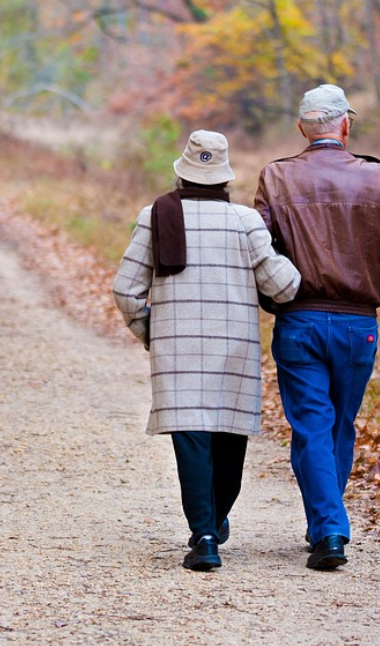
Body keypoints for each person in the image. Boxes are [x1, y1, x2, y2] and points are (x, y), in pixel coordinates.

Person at [254, 84, 380, 570]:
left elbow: (256, 246)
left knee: (312, 425)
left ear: (301, 129)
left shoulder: (276, 177)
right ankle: (328, 526)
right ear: (345, 126)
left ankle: (327, 527)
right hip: (358, 327)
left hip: (299, 319)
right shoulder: (377, 180)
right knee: (337, 425)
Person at [113, 130, 300, 571]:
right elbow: (284, 287)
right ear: (225, 180)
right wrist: (290, 258)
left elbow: (126, 290)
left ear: (181, 174)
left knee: (191, 440)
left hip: (176, 352)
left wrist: (151, 333)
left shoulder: (155, 216)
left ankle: (205, 535)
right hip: (233, 349)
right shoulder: (246, 222)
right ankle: (213, 522)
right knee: (228, 441)